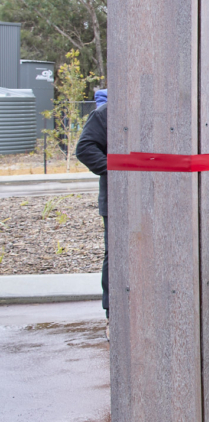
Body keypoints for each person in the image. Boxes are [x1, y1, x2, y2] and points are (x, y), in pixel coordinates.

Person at [75, 101, 108, 326]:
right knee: (117, 258)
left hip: (159, 202)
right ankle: (113, 317)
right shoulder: (106, 113)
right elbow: (85, 148)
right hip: (118, 202)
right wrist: (116, 170)